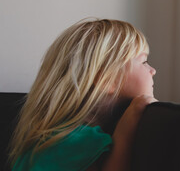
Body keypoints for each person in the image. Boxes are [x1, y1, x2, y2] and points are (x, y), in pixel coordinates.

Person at [8, 18, 157, 171]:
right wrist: (126, 130)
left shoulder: (57, 136)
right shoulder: (73, 142)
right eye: (143, 62)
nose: (153, 70)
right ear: (106, 80)